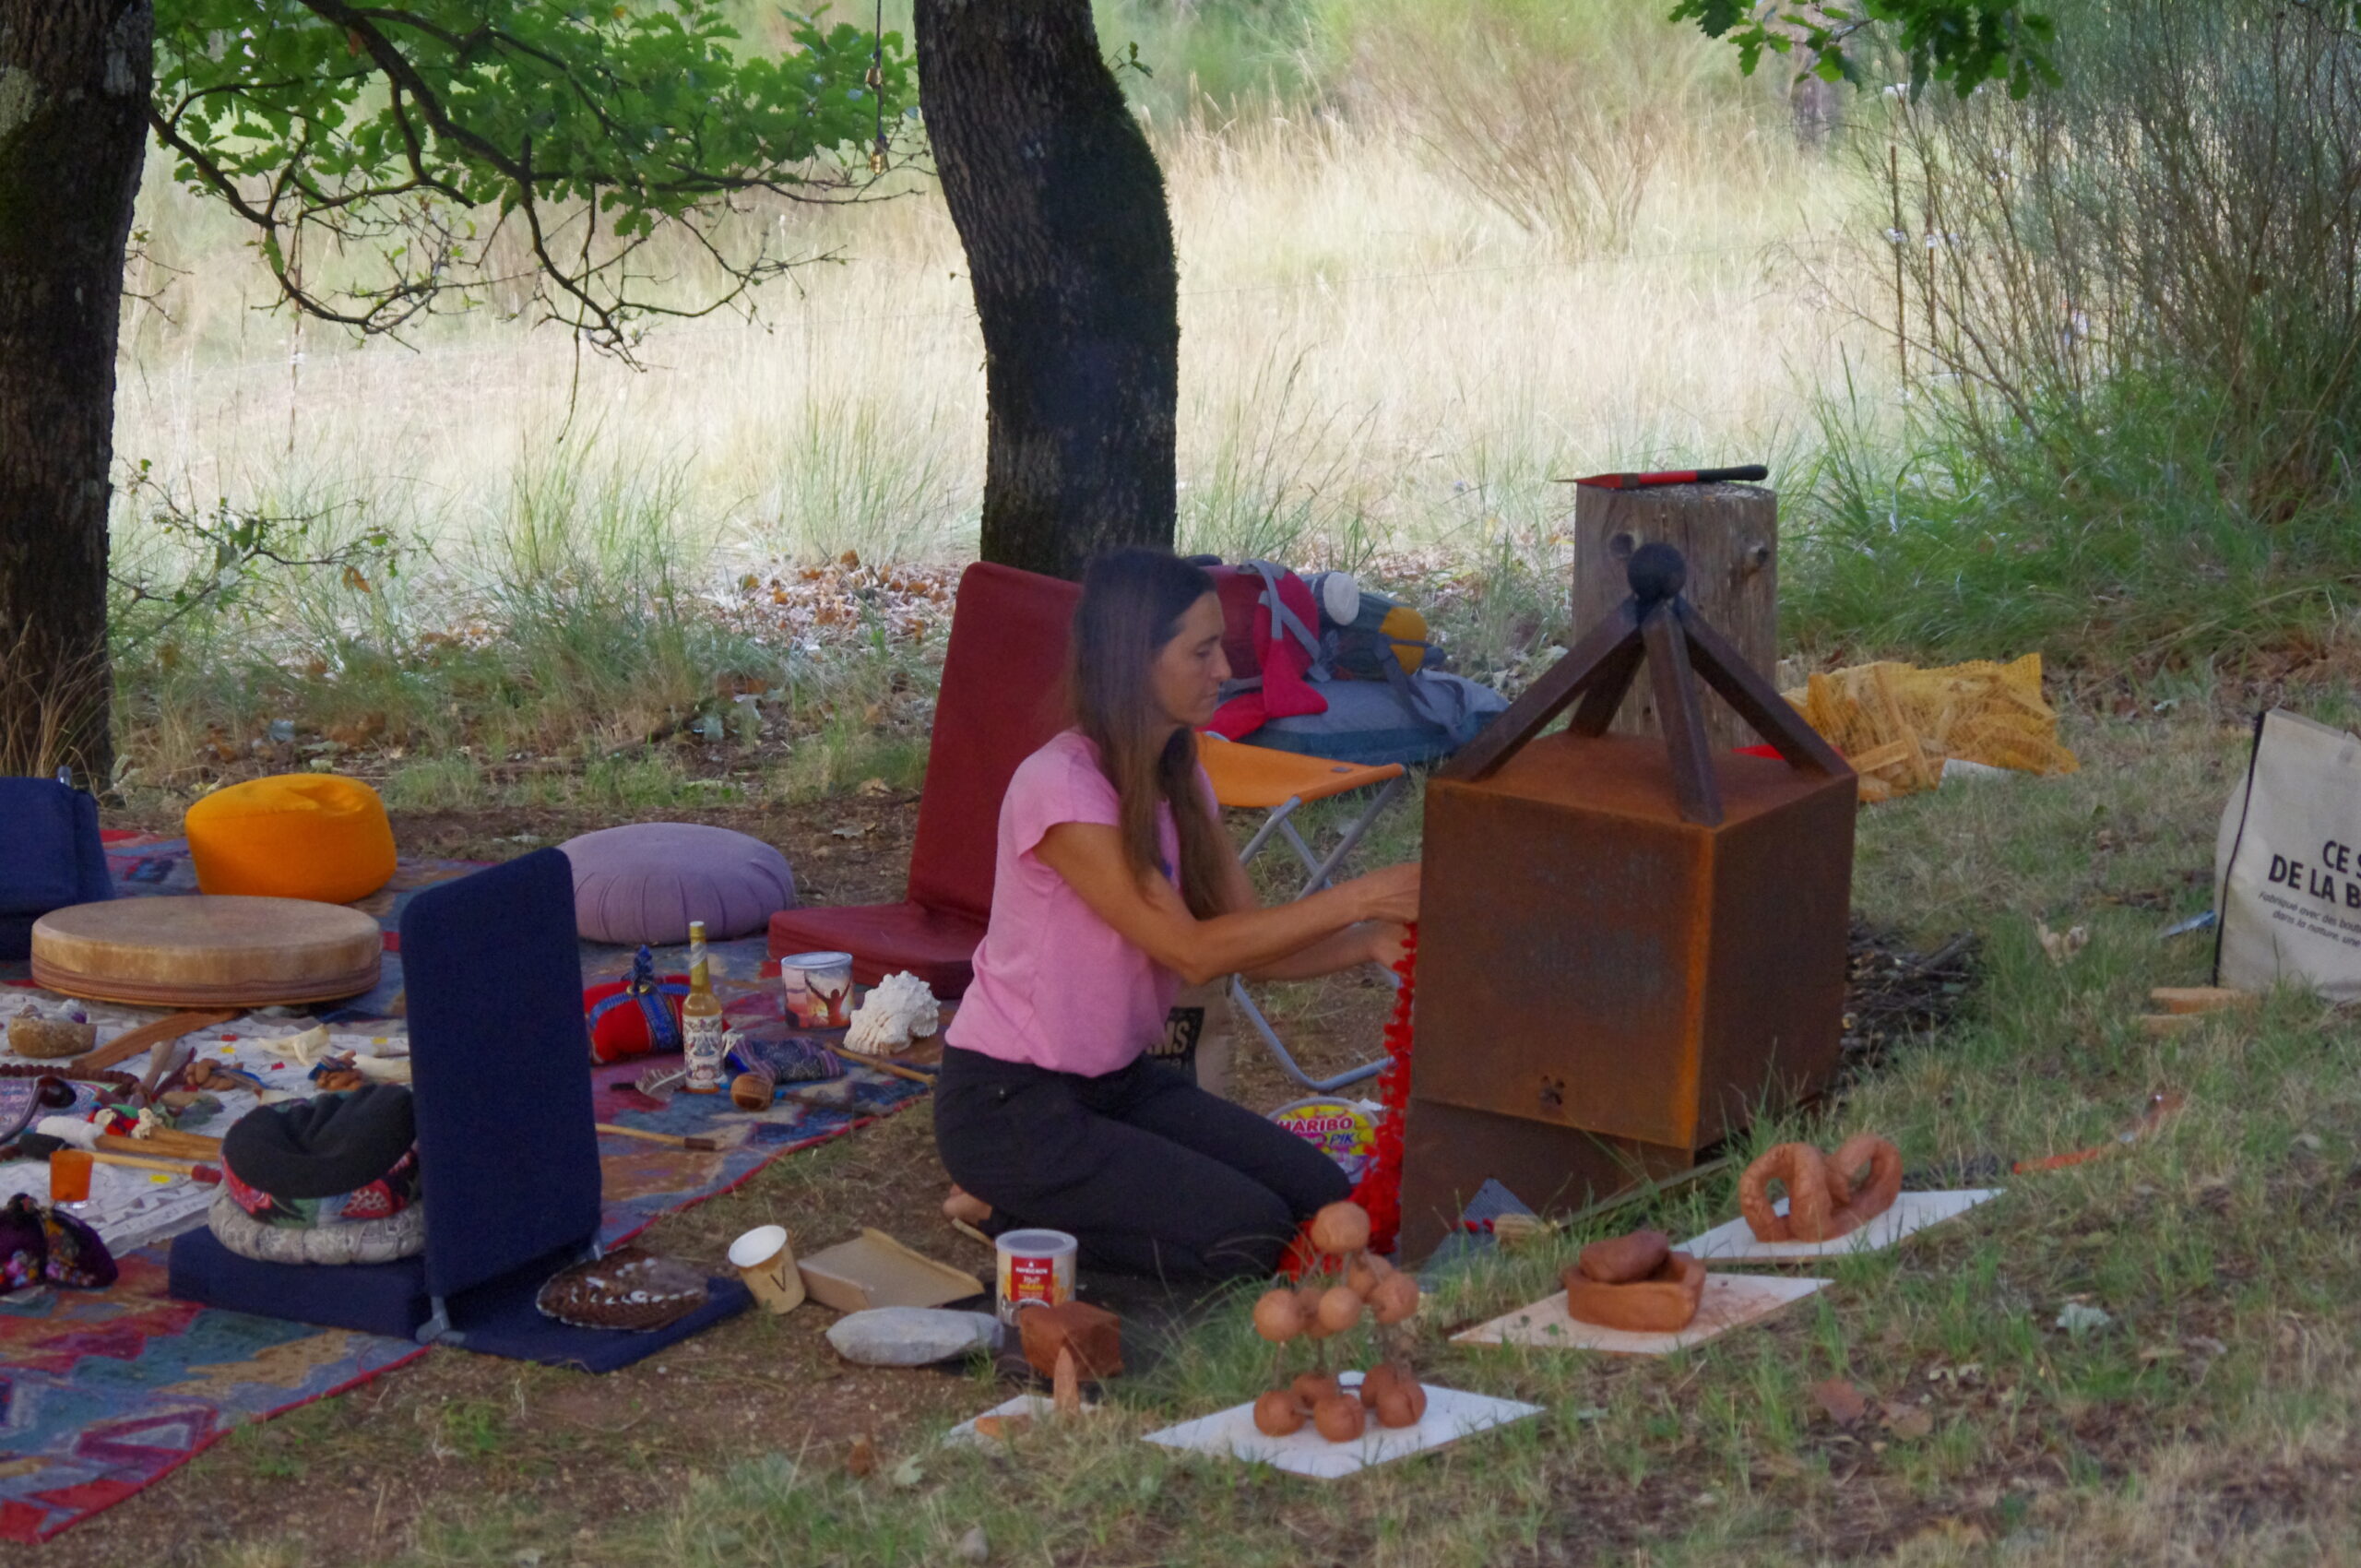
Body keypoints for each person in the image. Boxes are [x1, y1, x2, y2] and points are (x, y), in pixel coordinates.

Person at [932, 547, 1419, 1280]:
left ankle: (1055, 1200)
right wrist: (1363, 894)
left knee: (1320, 1197)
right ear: (1135, 661)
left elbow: (1245, 943)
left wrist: (1369, 938)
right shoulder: (1060, 789)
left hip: (1120, 1082)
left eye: (1219, 646)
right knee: (1248, 1238)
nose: (1224, 669)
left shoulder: (1179, 768)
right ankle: (1013, 1212)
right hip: (1012, 1104)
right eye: (1201, 651)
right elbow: (1191, 953)